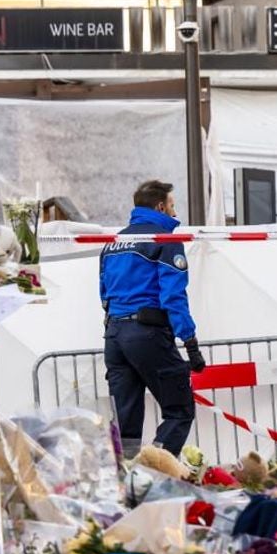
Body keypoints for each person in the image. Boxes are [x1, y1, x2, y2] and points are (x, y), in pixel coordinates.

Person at [99, 180, 206, 459]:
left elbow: (104, 293)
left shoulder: (114, 243)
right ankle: (152, 471)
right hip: (146, 333)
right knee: (179, 410)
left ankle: (126, 480)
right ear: (160, 206)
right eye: (172, 205)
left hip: (114, 335)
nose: (174, 212)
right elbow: (173, 296)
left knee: (127, 423)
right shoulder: (164, 241)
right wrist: (190, 342)